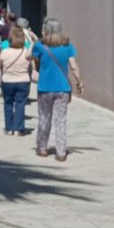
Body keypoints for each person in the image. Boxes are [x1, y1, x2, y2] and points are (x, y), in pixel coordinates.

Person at [30, 19, 83, 161]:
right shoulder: (67, 46)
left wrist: (34, 42)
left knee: (44, 118)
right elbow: (73, 65)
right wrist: (79, 81)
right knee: (60, 121)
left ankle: (42, 148)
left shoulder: (40, 45)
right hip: (62, 88)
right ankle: (61, 152)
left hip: (45, 87)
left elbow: (30, 57)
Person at [0, 27, 32, 136]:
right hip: (23, 80)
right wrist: (31, 39)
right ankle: (18, 128)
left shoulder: (5, 52)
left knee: (8, 104)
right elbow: (33, 50)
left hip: (8, 80)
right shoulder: (26, 52)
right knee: (20, 104)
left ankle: (9, 128)